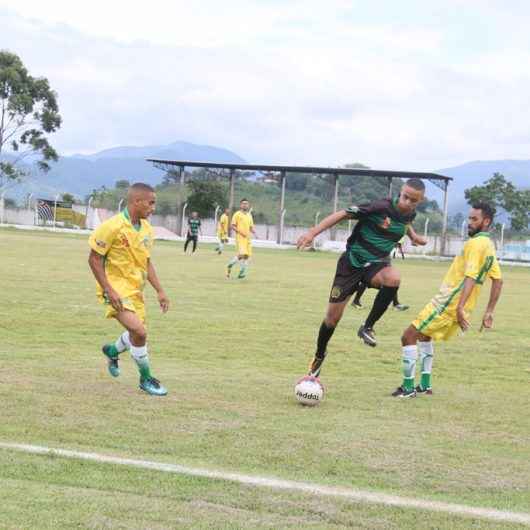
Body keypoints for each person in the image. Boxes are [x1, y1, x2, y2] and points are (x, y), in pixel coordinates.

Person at [297, 179, 427, 378]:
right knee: (332, 319)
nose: (407, 203)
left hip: (377, 264)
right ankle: (319, 355)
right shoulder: (380, 207)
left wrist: (414, 237)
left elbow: (405, 222)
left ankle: (367, 327)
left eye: (413, 200)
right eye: (405, 197)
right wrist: (312, 233)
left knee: (393, 278)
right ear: (399, 193)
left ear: (420, 200)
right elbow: (343, 213)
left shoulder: (410, 213)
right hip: (351, 263)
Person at [392, 202, 503, 398]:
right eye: (469, 218)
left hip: (448, 303)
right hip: (455, 304)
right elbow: (498, 280)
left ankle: (407, 388)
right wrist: (489, 312)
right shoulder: (488, 245)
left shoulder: (475, 244)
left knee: (408, 336)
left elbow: (471, 276)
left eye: (474, 219)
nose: (469, 222)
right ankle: (425, 385)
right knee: (425, 337)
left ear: (486, 222)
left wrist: (459, 307)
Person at [88, 182, 170, 396]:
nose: (153, 208)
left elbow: (147, 262)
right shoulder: (112, 226)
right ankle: (146, 379)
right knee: (140, 332)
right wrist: (108, 290)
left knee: (138, 335)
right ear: (137, 201)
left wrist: (160, 291)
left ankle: (112, 350)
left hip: (136, 290)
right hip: (114, 290)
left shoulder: (146, 229)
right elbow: (94, 259)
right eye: (151, 203)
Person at [351, 237, 411, 311]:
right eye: (397, 244)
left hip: (383, 262)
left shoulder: (389, 242)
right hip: (374, 261)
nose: (397, 246)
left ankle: (396, 304)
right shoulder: (381, 239)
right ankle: (356, 301)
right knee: (366, 281)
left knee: (390, 282)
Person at [227, 199, 256, 279]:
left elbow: (251, 227)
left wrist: (254, 232)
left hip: (248, 239)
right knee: (242, 254)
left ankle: (241, 273)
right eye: (243, 204)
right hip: (240, 238)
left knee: (246, 256)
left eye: (246, 204)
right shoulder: (237, 214)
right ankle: (230, 265)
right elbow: (232, 226)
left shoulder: (249, 215)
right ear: (240, 205)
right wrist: (240, 232)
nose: (245, 205)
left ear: (248, 205)